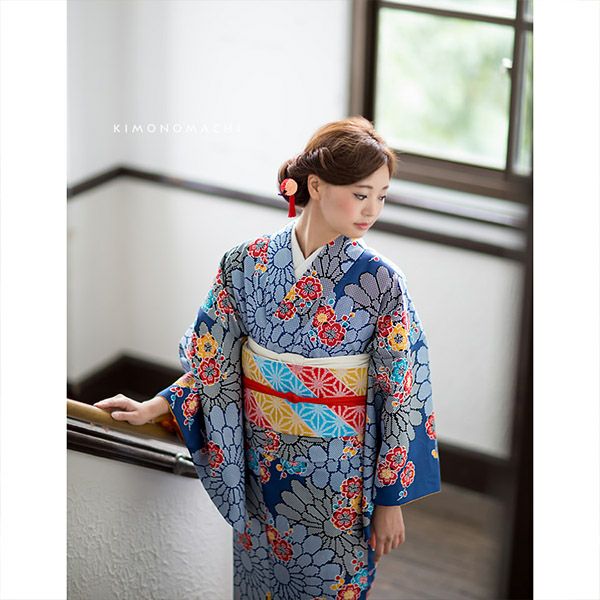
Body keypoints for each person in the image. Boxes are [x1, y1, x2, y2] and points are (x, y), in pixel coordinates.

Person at [93, 116, 441, 599]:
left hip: (338, 481)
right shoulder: (244, 262)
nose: (372, 210)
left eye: (381, 197)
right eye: (361, 194)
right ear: (315, 186)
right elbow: (216, 363)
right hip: (262, 468)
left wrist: (390, 500)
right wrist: (158, 406)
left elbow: (401, 391)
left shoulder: (382, 282)